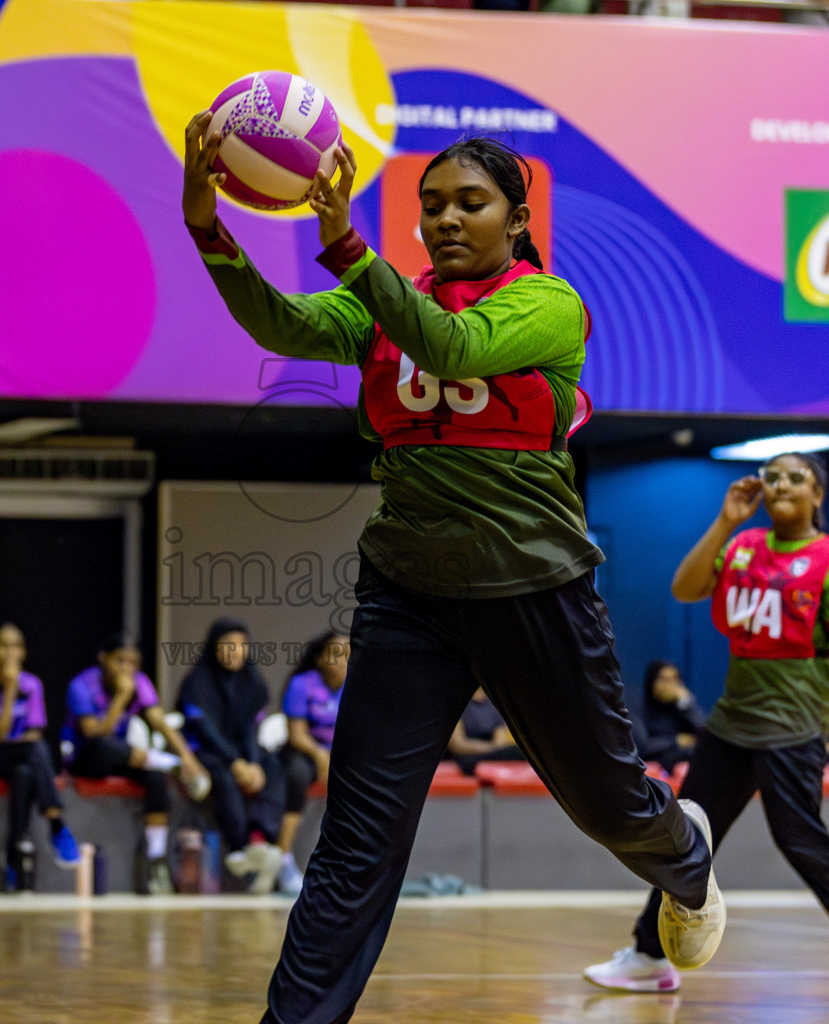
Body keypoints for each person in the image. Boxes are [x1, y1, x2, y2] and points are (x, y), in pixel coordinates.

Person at [182, 121, 723, 1023]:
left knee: (609, 807)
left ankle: (686, 855)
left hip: (534, 586)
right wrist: (210, 227)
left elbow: (454, 349)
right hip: (409, 596)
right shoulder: (387, 305)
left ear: (517, 219)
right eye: (430, 206)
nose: (443, 220)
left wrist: (349, 250)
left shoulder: (549, 304)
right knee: (356, 840)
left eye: (469, 203)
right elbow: (280, 320)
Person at [584, 453, 829, 1001]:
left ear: (818, 494)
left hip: (792, 726)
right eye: (771, 476)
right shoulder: (744, 548)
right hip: (732, 722)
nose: (781, 484)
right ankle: (650, 955)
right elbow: (684, 587)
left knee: (801, 839)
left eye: (796, 477)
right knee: (684, 835)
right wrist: (726, 521)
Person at [65, 631, 211, 895]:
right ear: (103, 659)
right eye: (120, 661)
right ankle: (168, 763)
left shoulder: (139, 682)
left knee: (155, 777)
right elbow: (95, 734)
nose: (127, 669)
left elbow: (160, 722)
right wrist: (121, 698)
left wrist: (189, 758)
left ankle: (156, 860)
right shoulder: (81, 686)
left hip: (125, 755)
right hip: (86, 757)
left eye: (133, 663)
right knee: (104, 745)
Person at [0, 623, 80, 890]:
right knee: (32, 753)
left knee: (25, 771)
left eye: (16, 646)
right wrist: (11, 690)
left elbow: (34, 734)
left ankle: (14, 855)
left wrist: (5, 734)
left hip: (20, 759)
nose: (9, 652)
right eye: (3, 645)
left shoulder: (33, 685)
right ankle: (57, 824)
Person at [175, 618, 287, 894]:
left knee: (273, 767)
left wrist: (252, 763)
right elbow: (204, 729)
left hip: (241, 753)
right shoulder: (197, 681)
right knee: (222, 776)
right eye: (228, 645)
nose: (235, 651)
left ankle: (260, 841)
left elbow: (250, 726)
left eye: (241, 645)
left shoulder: (253, 681)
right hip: (205, 752)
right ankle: (239, 847)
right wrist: (235, 763)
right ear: (214, 647)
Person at [276, 631, 349, 895]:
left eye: (349, 655)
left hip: (342, 753)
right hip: (304, 751)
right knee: (296, 774)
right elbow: (297, 735)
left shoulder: (357, 686)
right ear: (320, 658)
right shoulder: (302, 684)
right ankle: (283, 859)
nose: (343, 661)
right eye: (336, 654)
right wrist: (320, 755)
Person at [640, 660, 707, 772]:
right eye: (664, 679)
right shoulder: (639, 708)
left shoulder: (681, 707)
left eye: (674, 679)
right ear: (652, 681)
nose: (670, 685)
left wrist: (686, 702)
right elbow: (643, 747)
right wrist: (675, 740)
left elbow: (705, 735)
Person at [447, 687, 526, 775]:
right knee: (516, 752)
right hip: (465, 757)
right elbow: (458, 745)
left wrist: (493, 749)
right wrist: (492, 748)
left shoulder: (494, 704)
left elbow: (500, 742)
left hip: (489, 755)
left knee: (519, 751)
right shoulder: (458, 703)